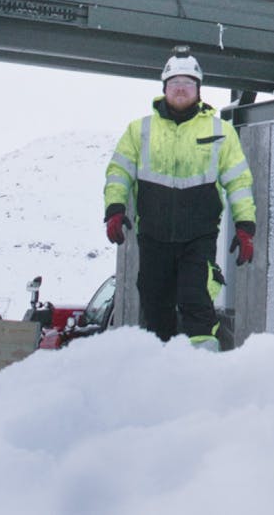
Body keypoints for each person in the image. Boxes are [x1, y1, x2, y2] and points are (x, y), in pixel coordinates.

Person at [103, 46, 256, 350]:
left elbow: (238, 181)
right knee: (154, 303)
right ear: (164, 89)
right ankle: (159, 369)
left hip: (197, 237)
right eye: (175, 84)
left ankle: (203, 369)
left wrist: (245, 226)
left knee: (195, 299)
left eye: (188, 84)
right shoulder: (140, 130)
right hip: (153, 236)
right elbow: (119, 171)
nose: (181, 90)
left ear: (198, 90)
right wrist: (115, 209)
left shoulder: (220, 131)